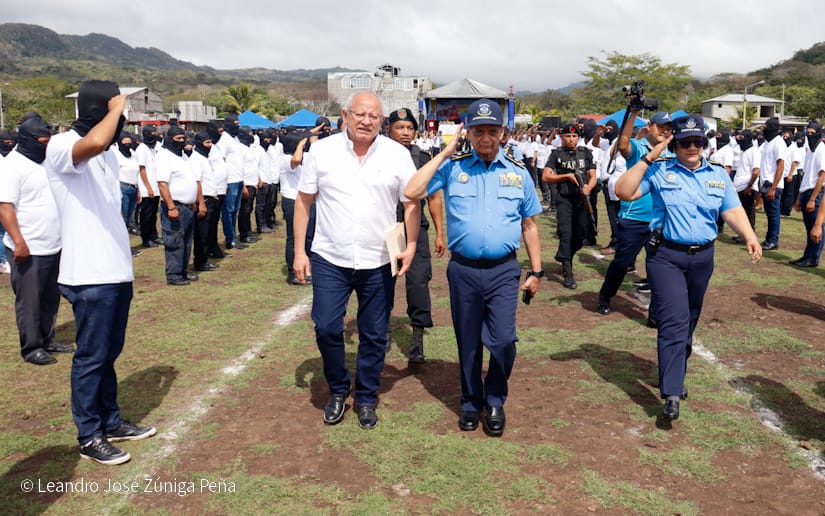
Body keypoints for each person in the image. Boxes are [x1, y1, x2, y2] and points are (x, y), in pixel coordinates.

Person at [404, 99, 542, 437]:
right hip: (463, 270)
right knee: (467, 341)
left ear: (502, 133)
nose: (485, 138)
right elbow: (412, 191)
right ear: (468, 133)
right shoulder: (454, 168)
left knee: (504, 340)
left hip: (504, 271)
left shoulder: (517, 173)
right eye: (478, 131)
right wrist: (445, 152)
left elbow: (530, 225)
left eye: (491, 131)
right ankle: (470, 402)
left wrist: (536, 271)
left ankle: (495, 399)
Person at [616, 114, 762, 422]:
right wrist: (648, 158)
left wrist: (749, 236)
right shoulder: (660, 171)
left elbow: (732, 208)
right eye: (685, 143)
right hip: (666, 256)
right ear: (675, 144)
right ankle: (671, 392)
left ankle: (673, 369)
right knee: (674, 319)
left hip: (702, 258)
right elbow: (624, 192)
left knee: (690, 317)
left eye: (698, 142)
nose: (692, 148)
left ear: (705, 144)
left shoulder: (717, 175)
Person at [45, 80, 156, 465]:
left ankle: (110, 420)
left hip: (115, 270)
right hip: (87, 273)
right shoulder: (63, 147)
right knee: (91, 357)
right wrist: (115, 110)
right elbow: (90, 144)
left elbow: (100, 144)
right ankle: (89, 434)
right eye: (117, 113)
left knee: (109, 352)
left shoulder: (108, 155)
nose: (122, 121)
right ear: (102, 110)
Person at [293, 92, 420, 430]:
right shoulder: (322, 151)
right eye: (360, 114)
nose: (366, 121)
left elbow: (411, 203)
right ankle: (338, 388)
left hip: (378, 258)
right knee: (327, 326)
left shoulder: (397, 155)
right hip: (330, 257)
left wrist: (411, 244)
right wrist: (299, 252)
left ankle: (366, 397)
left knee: (375, 333)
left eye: (374, 116)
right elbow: (304, 201)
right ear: (346, 115)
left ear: (383, 122)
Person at [0, 114, 71, 365]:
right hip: (28, 246)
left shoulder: (46, 163)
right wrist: (19, 242)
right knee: (29, 300)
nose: (47, 144)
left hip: (53, 244)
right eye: (43, 140)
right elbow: (5, 207)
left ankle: (47, 338)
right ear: (28, 139)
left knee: (50, 297)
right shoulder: (11, 166)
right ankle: (32, 348)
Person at [597, 111, 673, 317]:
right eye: (660, 127)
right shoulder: (638, 147)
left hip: (661, 220)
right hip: (635, 217)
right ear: (649, 125)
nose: (664, 131)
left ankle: (656, 312)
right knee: (622, 262)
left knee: (659, 267)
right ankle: (605, 296)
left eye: (668, 128)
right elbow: (623, 145)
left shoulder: (673, 152)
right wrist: (633, 113)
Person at [386, 107, 445, 364]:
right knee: (382, 283)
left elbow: (433, 197)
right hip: (386, 229)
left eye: (409, 128)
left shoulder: (422, 158)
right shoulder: (377, 156)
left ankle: (417, 340)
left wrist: (440, 233)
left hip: (415, 229)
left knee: (418, 282)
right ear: (389, 130)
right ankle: (383, 330)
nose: (405, 133)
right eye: (400, 128)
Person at [542, 123, 596, 289]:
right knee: (566, 234)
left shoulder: (585, 153)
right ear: (561, 137)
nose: (571, 139)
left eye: (574, 136)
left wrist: (588, 187)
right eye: (567, 136)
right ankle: (568, 272)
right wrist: (565, 176)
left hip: (581, 200)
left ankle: (564, 255)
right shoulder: (556, 154)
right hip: (564, 200)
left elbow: (593, 175)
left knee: (580, 238)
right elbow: (545, 177)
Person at [156, 125, 203, 286]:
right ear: (169, 139)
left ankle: (183, 271)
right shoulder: (164, 156)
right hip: (175, 207)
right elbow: (162, 184)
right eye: (178, 139)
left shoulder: (182, 156)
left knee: (186, 242)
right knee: (174, 241)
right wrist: (170, 207)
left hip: (188, 207)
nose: (182, 142)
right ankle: (174, 275)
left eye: (183, 139)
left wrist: (195, 201)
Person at [790, 121, 825, 267]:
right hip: (805, 191)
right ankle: (807, 256)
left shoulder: (822, 150)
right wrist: (799, 197)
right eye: (808, 133)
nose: (809, 136)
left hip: (815, 193)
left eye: (812, 133)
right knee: (808, 228)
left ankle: (813, 258)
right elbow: (806, 175)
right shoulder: (810, 150)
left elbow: (822, 175)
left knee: (816, 227)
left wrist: (812, 198)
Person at [758, 117, 786, 250]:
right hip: (765, 183)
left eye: (766, 126)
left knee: (774, 214)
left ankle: (773, 240)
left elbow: (780, 166)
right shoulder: (768, 142)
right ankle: (768, 239)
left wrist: (773, 188)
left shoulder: (779, 143)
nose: (764, 129)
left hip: (773, 185)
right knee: (769, 213)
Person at [135, 124, 162, 249]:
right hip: (148, 188)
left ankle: (153, 236)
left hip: (155, 188)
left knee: (153, 214)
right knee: (146, 214)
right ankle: (146, 238)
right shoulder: (142, 149)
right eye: (153, 134)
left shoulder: (153, 148)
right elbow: (142, 169)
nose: (155, 136)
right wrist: (148, 187)